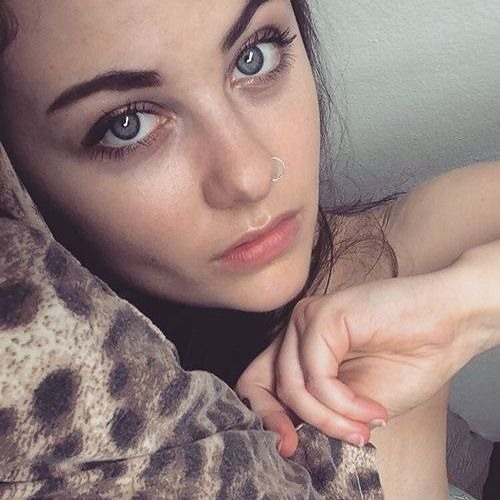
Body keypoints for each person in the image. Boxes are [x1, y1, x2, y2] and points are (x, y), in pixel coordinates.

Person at [0, 1, 498, 498]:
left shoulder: (379, 259)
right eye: (127, 124)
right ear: (18, 186)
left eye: (254, 56)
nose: (251, 177)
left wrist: (466, 312)